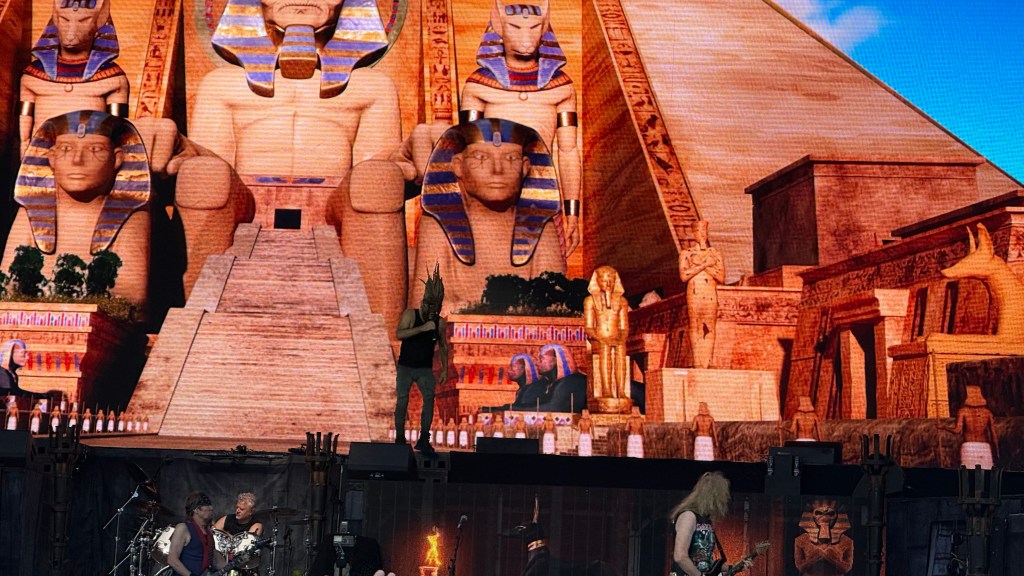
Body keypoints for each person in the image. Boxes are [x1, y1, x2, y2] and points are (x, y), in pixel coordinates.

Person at [459, 0, 582, 255]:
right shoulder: (478, 87)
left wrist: (572, 214)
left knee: (548, 272)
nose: (526, 37)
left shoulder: (562, 87)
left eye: (534, 27)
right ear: (499, 27)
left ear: (544, 28)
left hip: (543, 195)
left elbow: (568, 152)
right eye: (515, 27)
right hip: (492, 198)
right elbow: (467, 151)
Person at [413, 119, 565, 313]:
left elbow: (557, 306)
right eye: (480, 158)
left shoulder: (540, 225)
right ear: (457, 165)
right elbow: (425, 309)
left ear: (525, 167)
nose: (497, 170)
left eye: (511, 158)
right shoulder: (437, 224)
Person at [4, 110, 151, 306]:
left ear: (117, 159)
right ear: (51, 157)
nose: (77, 160)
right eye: (66, 149)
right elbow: (7, 286)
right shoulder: (30, 211)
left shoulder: (132, 215)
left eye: (95, 149)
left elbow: (132, 297)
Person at [18, 0, 129, 158]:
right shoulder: (33, 74)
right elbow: (24, 122)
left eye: (83, 21)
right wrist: (24, 146)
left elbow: (118, 131)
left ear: (98, 24)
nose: (71, 30)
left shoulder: (113, 77)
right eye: (65, 20)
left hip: (90, 158)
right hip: (41, 154)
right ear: (56, 21)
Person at [395, 265, 448, 456]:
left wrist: (445, 369)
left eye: (436, 308)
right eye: (429, 305)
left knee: (429, 398)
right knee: (402, 399)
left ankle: (424, 438)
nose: (432, 310)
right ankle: (399, 437)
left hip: (424, 368)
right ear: (423, 303)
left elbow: (443, 345)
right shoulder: (411, 314)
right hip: (406, 366)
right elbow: (399, 334)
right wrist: (422, 328)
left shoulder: (439, 322)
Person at [670, 472, 749, 576]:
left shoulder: (706, 520)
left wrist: (733, 567)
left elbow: (704, 561)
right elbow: (680, 556)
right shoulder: (689, 516)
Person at [679, 220, 725, 369]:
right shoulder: (687, 253)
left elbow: (721, 277)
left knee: (710, 327)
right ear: (694, 234)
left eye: (704, 231)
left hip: (709, 291)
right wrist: (704, 265)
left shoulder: (715, 254)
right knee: (695, 326)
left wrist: (704, 266)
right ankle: (697, 360)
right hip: (695, 291)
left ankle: (709, 360)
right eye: (699, 232)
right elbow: (684, 276)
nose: (702, 235)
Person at [583, 266, 630, 411]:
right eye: (604, 280)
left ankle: (621, 390)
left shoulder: (622, 301)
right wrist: (600, 338)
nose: (608, 284)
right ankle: (606, 389)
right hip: (598, 339)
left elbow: (624, 327)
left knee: (621, 348)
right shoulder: (590, 301)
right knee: (605, 348)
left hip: (615, 337)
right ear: (597, 282)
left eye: (611, 280)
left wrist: (621, 338)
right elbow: (589, 327)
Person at [167, 492, 226, 576]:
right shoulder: (183, 528)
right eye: (207, 505)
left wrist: (233, 565)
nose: (211, 508)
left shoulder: (209, 532)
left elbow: (215, 560)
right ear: (196, 510)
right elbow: (172, 560)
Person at [942, 385, 1000, 469]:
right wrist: (997, 451)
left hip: (969, 447)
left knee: (968, 474)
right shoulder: (987, 413)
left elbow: (957, 430)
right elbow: (994, 435)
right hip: (984, 448)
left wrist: (943, 427)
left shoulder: (963, 412)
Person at [794, 500, 854, 576]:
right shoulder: (801, 540)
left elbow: (846, 568)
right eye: (819, 513)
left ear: (837, 516)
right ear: (812, 516)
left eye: (830, 514)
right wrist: (816, 557)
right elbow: (800, 567)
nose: (824, 517)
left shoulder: (846, 541)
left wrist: (831, 557)